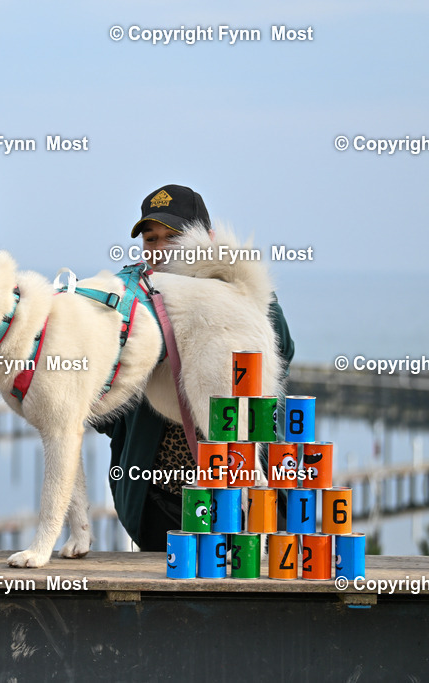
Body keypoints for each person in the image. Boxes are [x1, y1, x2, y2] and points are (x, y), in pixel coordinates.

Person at [97, 184, 295, 551]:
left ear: (206, 239)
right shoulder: (131, 300)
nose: (159, 249)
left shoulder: (235, 291)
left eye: (173, 237)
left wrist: (217, 298)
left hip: (246, 491)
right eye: (151, 239)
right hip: (164, 498)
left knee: (262, 595)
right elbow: (103, 405)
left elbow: (280, 351)